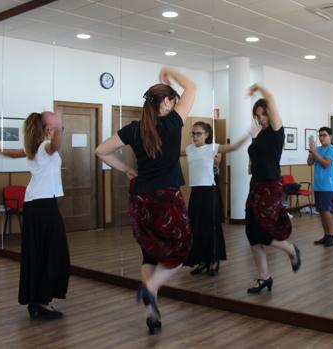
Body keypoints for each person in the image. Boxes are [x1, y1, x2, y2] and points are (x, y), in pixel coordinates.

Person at [95, 67, 196, 334]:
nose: (175, 105)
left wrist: (126, 169)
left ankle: (152, 313)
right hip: (167, 199)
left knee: (150, 255)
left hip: (141, 198)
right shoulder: (173, 123)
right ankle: (150, 288)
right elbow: (192, 88)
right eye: (172, 101)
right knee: (181, 250)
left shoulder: (133, 130)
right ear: (166, 103)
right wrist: (170, 73)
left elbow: (100, 151)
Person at [0, 111, 69, 320]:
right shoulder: (44, 147)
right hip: (44, 205)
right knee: (53, 253)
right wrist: (59, 125)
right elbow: (56, 145)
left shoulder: (34, 148)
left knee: (38, 253)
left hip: (33, 205)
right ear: (47, 128)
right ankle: (42, 302)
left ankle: (36, 301)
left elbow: (16, 153)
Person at [245, 84, 301, 294]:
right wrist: (251, 163)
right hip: (256, 185)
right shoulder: (260, 135)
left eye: (263, 114)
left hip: (270, 186)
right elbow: (256, 155)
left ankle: (291, 250)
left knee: (264, 229)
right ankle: (264, 277)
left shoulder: (277, 132)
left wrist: (258, 87)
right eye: (257, 115)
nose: (261, 119)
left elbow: (271, 99)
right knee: (252, 233)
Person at [183, 121, 251, 276]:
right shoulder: (189, 149)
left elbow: (233, 147)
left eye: (198, 133)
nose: (195, 136)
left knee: (210, 227)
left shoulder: (212, 148)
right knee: (195, 227)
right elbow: (170, 152)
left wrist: (248, 134)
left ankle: (214, 260)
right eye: (193, 133)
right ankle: (202, 261)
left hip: (210, 191)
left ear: (206, 135)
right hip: (196, 192)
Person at [308, 127, 333, 247]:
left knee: (326, 211)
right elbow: (309, 162)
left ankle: (331, 236)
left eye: (324, 135)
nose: (321, 138)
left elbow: (326, 164)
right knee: (321, 211)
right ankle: (326, 235)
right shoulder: (318, 149)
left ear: (330, 137)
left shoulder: (332, 150)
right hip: (318, 185)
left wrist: (315, 152)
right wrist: (311, 151)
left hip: (327, 185)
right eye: (320, 135)